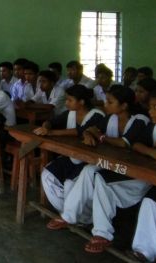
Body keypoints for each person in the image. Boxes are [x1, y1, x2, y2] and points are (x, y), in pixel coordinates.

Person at [44, 85, 150, 253]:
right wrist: (88, 134)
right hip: (112, 165)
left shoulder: (140, 119)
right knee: (88, 171)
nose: (105, 104)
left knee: (99, 178)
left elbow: (125, 143)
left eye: (110, 101)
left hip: (134, 172)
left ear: (124, 106)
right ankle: (69, 216)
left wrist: (100, 136)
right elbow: (90, 129)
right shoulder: (110, 118)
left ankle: (102, 233)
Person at [34, 85, 105, 221]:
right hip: (72, 157)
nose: (66, 103)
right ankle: (67, 213)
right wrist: (46, 126)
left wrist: (50, 132)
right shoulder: (70, 113)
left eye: (70, 100)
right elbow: (52, 121)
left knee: (69, 185)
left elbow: (80, 131)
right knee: (47, 175)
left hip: (90, 161)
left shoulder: (97, 115)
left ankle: (84, 218)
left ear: (82, 102)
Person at [130, 91, 156, 262]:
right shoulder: (153, 127)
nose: (151, 112)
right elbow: (136, 144)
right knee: (149, 202)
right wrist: (153, 153)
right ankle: (145, 250)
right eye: (151, 107)